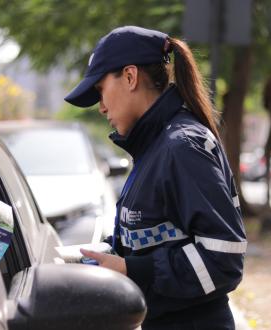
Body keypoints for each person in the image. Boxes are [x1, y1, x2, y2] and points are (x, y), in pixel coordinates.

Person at [64, 26, 246, 330]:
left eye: (100, 91)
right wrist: (102, 257)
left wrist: (130, 270)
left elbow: (223, 259)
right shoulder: (153, 147)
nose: (102, 107)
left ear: (131, 77)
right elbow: (153, 240)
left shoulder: (182, 147)